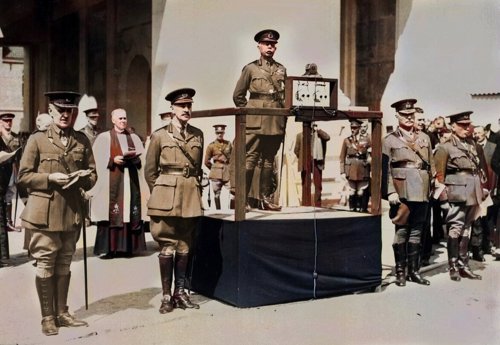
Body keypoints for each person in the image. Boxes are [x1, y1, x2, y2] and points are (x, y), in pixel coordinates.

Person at [17, 91, 97, 336]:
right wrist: (49, 178)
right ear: (50, 111)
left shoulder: (81, 140)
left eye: (69, 110)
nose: (65, 114)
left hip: (71, 212)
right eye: (60, 110)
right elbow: (23, 176)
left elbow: (93, 173)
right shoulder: (38, 140)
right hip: (44, 212)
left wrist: (84, 179)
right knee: (46, 263)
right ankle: (47, 317)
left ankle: (62, 312)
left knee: (64, 262)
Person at [145, 87, 203, 313]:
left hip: (189, 195)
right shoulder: (160, 135)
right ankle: (166, 296)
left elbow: (196, 168)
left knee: (185, 244)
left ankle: (181, 293)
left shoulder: (198, 134)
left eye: (189, 105)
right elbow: (150, 171)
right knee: (167, 245)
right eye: (182, 106)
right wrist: (161, 191)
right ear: (172, 109)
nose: (186, 109)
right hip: (165, 196)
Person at [233, 29, 286, 211]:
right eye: (266, 44)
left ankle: (265, 199)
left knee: (269, 160)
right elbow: (238, 96)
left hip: (275, 118)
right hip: (256, 120)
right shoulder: (250, 68)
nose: (270, 47)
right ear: (259, 46)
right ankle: (243, 199)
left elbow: (285, 95)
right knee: (250, 159)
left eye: (272, 45)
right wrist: (252, 112)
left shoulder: (281, 69)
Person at [382, 98, 433, 287]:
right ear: (397, 116)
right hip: (401, 189)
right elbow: (384, 169)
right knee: (402, 229)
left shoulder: (424, 138)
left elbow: (431, 165)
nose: (409, 118)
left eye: (412, 115)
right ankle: (401, 272)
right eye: (405, 115)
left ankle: (414, 271)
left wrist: (432, 187)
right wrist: (390, 192)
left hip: (422, 188)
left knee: (418, 230)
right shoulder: (389, 140)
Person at [434, 111, 487, 281]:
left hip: (472, 190)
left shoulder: (471, 144)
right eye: (462, 125)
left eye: (468, 124)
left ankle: (464, 265)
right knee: (455, 228)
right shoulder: (445, 146)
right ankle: (453, 266)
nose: (467, 128)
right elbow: (439, 175)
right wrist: (443, 199)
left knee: (467, 227)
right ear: (453, 126)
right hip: (456, 192)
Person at [89, 108, 148, 259]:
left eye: (125, 118)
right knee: (113, 212)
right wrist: (112, 160)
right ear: (113, 120)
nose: (123, 121)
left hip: (130, 180)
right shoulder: (104, 137)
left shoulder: (134, 138)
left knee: (129, 210)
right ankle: (111, 249)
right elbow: (96, 159)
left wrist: (135, 159)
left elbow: (143, 160)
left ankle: (128, 248)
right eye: (120, 118)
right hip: (112, 181)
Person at [470, 125, 497, 261]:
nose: (477, 135)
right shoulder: (471, 146)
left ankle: (487, 244)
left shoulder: (493, 147)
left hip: (490, 185)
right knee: (478, 218)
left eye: (479, 132)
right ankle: (477, 247)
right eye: (475, 132)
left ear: (485, 133)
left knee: (488, 218)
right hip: (476, 186)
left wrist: (492, 187)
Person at [294, 122, 330, 207]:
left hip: (317, 162)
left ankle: (318, 205)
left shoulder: (319, 134)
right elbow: (296, 150)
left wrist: (318, 130)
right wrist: (303, 157)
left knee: (318, 185)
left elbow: (327, 137)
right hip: (306, 162)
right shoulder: (300, 135)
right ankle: (306, 204)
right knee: (305, 184)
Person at [340, 119, 371, 212]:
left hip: (363, 168)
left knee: (361, 192)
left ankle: (363, 210)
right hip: (350, 169)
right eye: (351, 128)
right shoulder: (347, 140)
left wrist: (371, 165)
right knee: (352, 192)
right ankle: (352, 210)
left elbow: (372, 153)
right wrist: (342, 171)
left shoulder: (367, 139)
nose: (353, 130)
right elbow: (342, 157)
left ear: (359, 128)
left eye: (355, 128)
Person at [0, 112, 22, 232]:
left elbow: (19, 154)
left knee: (10, 194)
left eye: (10, 121)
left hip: (12, 169)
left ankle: (8, 222)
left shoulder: (15, 137)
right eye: (5, 121)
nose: (8, 123)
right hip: (1, 170)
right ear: (0, 122)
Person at [204, 124, 232, 210]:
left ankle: (233, 211)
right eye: (218, 133)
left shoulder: (229, 144)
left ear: (224, 133)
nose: (220, 134)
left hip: (227, 171)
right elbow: (206, 161)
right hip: (216, 173)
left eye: (221, 132)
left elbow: (232, 158)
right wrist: (214, 169)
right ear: (215, 133)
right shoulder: (211, 146)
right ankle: (218, 211)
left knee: (234, 192)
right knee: (216, 194)